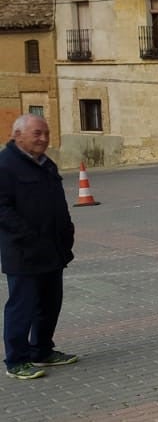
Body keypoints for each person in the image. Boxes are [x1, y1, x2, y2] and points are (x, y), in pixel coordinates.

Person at [0, 115, 77, 381]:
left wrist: (67, 230)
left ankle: (42, 350)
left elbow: (58, 202)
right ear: (17, 135)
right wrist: (28, 235)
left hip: (52, 250)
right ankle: (16, 361)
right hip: (24, 252)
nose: (43, 139)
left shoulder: (47, 165)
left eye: (46, 133)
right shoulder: (5, 165)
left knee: (50, 304)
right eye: (37, 133)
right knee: (22, 307)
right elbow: (2, 209)